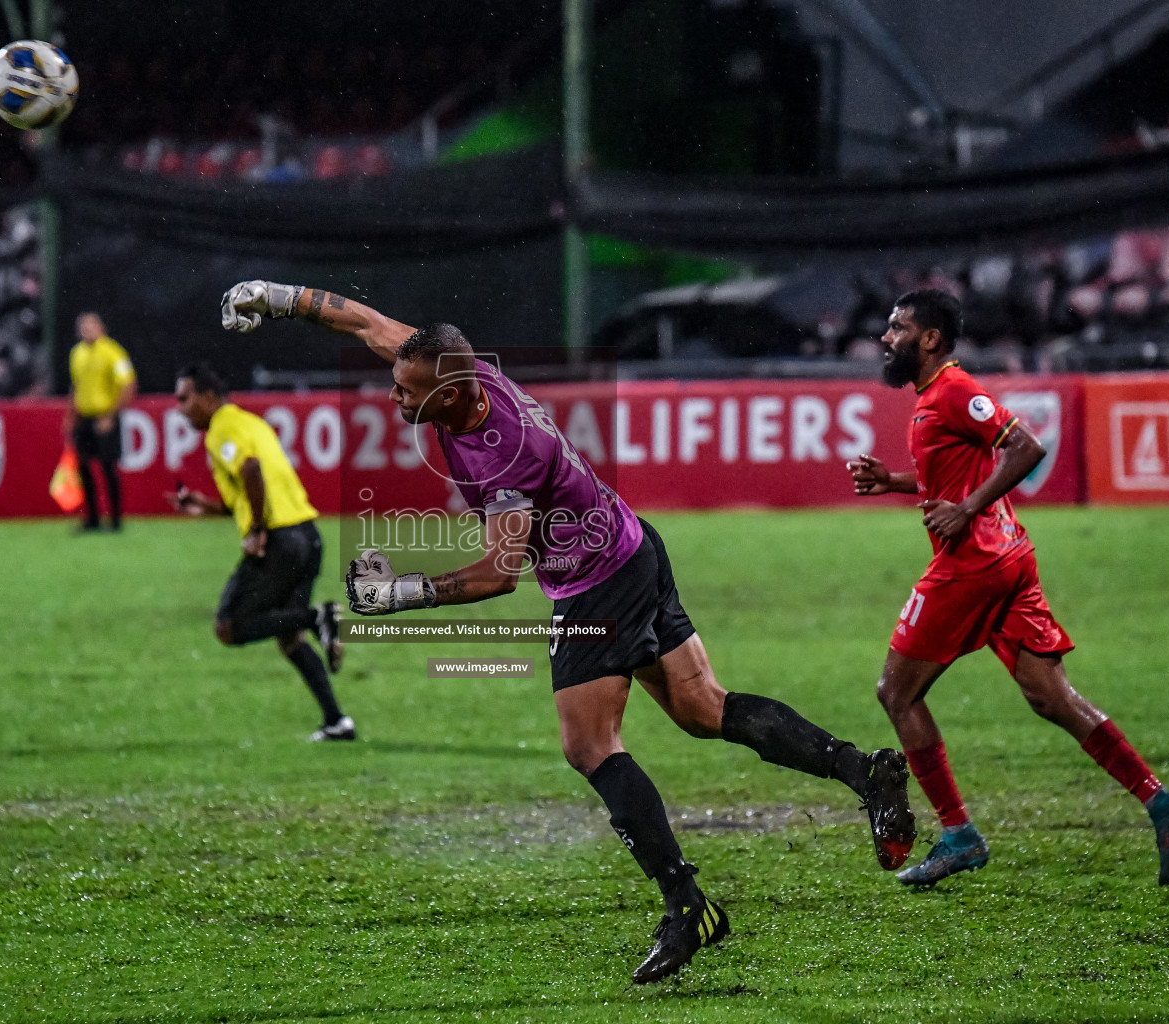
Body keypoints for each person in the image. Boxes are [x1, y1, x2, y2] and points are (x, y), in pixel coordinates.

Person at [219, 280, 916, 984]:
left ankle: (688, 905)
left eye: (409, 395)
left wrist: (394, 593)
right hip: (632, 545)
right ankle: (864, 771)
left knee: (587, 745)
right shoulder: (456, 369)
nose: (396, 400)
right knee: (705, 710)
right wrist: (275, 296)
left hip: (598, 582)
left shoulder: (505, 454)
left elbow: (497, 574)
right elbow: (365, 321)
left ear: (454, 394)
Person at [847, 288, 1169, 888]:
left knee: (896, 694)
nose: (886, 338)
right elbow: (955, 471)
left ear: (930, 339)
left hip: (973, 565)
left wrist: (965, 510)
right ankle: (1162, 803)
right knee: (1050, 696)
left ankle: (959, 834)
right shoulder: (936, 397)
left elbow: (1027, 448)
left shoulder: (956, 390)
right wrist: (896, 482)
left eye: (897, 327)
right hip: (1009, 556)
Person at [167, 363, 352, 742]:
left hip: (281, 541)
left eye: (184, 398)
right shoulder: (251, 422)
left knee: (228, 627)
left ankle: (319, 617)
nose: (180, 408)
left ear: (207, 396)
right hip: (308, 536)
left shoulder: (221, 429)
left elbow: (251, 470)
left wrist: (256, 531)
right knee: (289, 636)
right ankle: (337, 721)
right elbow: (249, 486)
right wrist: (204, 504)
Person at [64, 313, 136, 532]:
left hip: (105, 417)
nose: (87, 330)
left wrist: (111, 415)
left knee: (108, 468)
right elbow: (76, 387)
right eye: (83, 326)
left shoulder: (112, 352)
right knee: (84, 467)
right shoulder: (77, 354)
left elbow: (128, 384)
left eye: (91, 325)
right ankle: (92, 518)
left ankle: (115, 520)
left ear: (101, 327)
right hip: (84, 418)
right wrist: (71, 417)